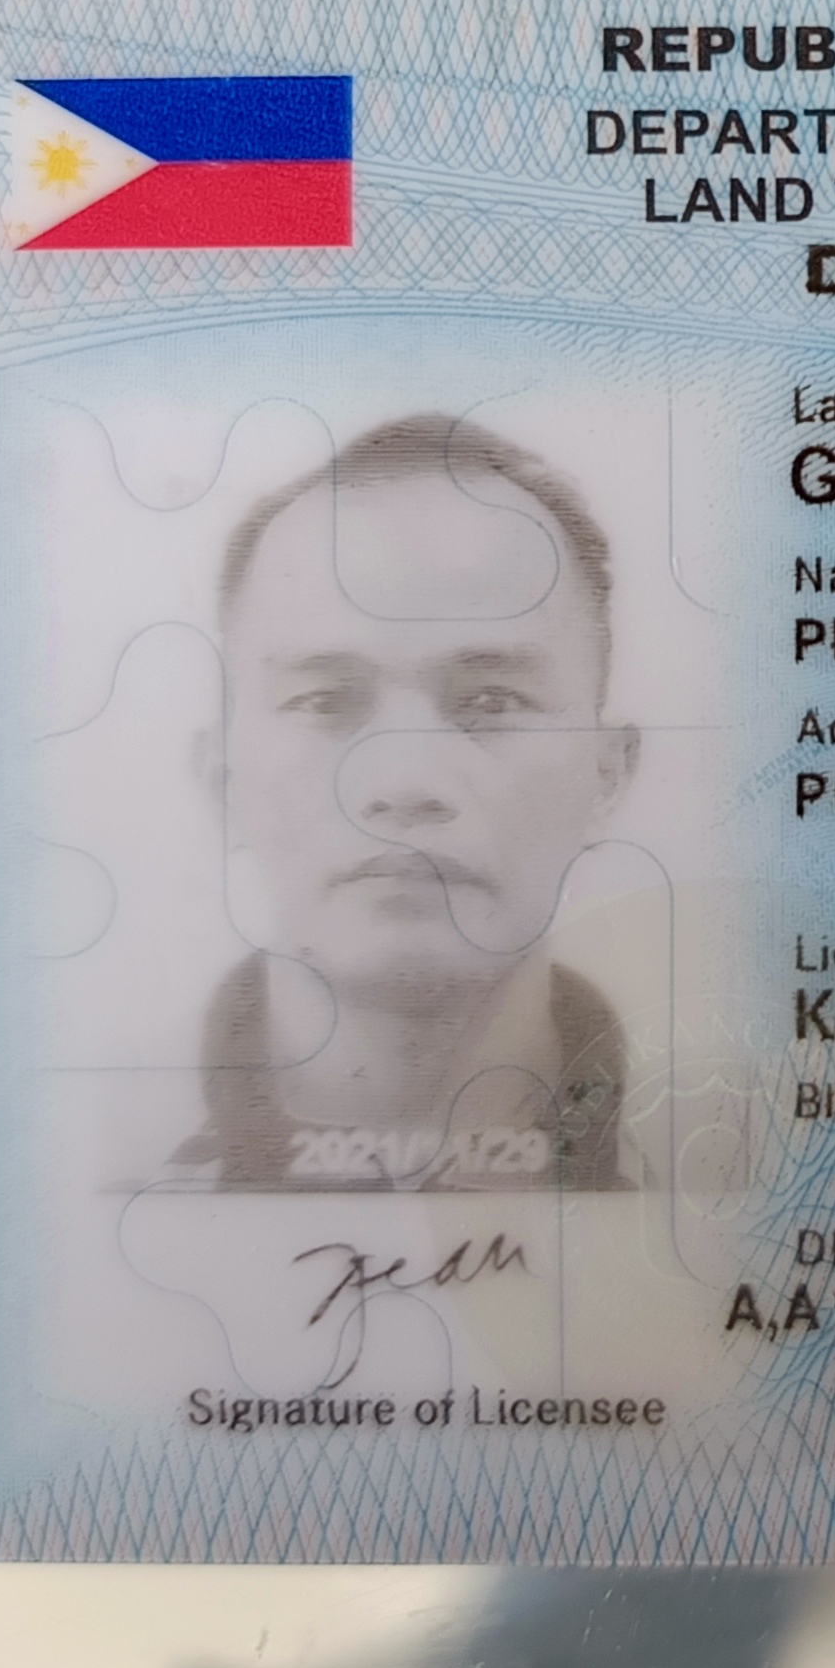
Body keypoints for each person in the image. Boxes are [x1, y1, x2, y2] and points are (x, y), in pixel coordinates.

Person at [176, 413, 638, 1192]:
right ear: (223, 777)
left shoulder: (732, 1202)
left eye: (492, 700)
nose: (404, 784)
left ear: (607, 774)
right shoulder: (81, 1204)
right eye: (326, 702)